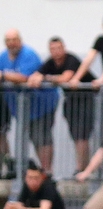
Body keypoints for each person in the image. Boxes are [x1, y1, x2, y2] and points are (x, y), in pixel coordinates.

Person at [28, 37, 95, 173]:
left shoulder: (71, 59)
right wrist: (36, 78)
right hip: (70, 100)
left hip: (86, 99)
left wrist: (46, 78)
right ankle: (80, 168)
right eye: (53, 49)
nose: (56, 52)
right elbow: (35, 76)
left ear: (64, 48)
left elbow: (66, 77)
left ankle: (81, 169)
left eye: (59, 48)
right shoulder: (50, 62)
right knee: (75, 135)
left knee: (81, 136)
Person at [1, 30, 57, 172]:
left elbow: (26, 78)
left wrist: (3, 75)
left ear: (20, 40)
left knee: (42, 138)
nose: (11, 43)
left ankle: (47, 171)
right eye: (8, 40)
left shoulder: (28, 54)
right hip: (21, 109)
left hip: (41, 105)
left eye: (14, 39)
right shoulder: (3, 57)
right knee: (33, 138)